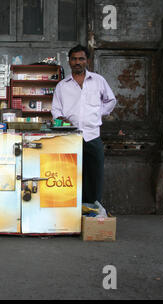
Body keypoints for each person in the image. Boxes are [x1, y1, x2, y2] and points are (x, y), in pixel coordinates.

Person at [51, 44, 116, 205]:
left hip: (92, 136)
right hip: (69, 137)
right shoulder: (62, 86)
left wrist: (98, 113)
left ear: (87, 60)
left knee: (94, 176)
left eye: (81, 58)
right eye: (74, 59)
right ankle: (70, 210)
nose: (77, 62)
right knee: (68, 175)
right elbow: (56, 110)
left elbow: (111, 100)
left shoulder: (98, 81)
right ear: (69, 61)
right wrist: (61, 119)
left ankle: (91, 211)